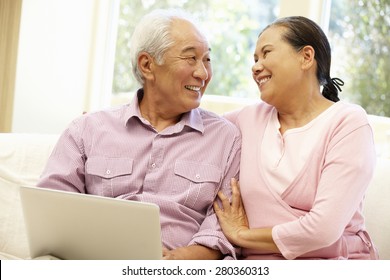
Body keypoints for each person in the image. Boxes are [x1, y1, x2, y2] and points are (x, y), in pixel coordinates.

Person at [37, 9, 241, 260]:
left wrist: (185, 257)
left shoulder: (225, 138)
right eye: (191, 58)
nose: (202, 73)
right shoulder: (87, 130)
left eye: (207, 59)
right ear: (147, 65)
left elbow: (225, 225)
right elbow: (50, 209)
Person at [213, 16, 378, 260]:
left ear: (306, 57)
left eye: (266, 53)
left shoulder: (347, 123)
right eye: (255, 59)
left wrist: (242, 236)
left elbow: (323, 229)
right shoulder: (248, 119)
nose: (256, 67)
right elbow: (196, 126)